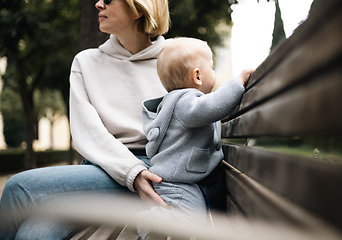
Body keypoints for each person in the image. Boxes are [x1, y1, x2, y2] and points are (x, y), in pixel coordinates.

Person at [0, 0, 171, 239]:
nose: (98, 4)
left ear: (138, 8)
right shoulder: (86, 62)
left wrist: (142, 174)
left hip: (157, 174)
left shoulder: (175, 57)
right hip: (103, 171)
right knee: (33, 233)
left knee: (18, 188)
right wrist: (133, 173)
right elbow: (88, 132)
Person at [138, 37, 254, 239]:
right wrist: (237, 83)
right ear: (198, 76)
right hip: (177, 183)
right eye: (212, 67)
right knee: (192, 222)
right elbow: (213, 106)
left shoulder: (183, 103)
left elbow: (213, 108)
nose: (215, 73)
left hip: (190, 179)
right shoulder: (185, 102)